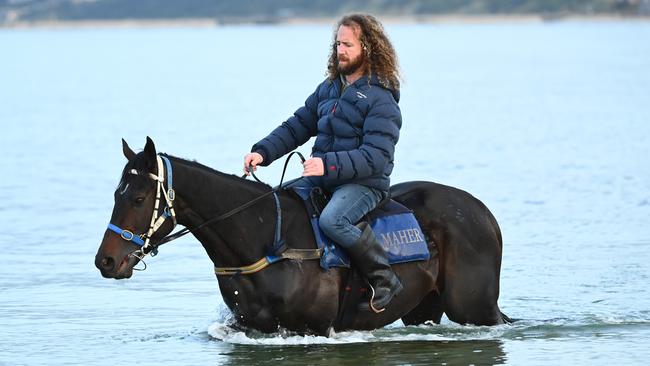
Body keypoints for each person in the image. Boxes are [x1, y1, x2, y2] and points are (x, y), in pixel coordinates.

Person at [243, 14, 402, 313]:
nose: (340, 50)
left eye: (348, 44)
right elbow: (296, 127)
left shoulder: (381, 99)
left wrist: (326, 165)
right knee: (275, 203)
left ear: (368, 48)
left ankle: (384, 278)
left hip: (365, 183)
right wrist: (263, 152)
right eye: (338, 43)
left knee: (333, 220)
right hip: (324, 176)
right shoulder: (328, 89)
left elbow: (376, 157)